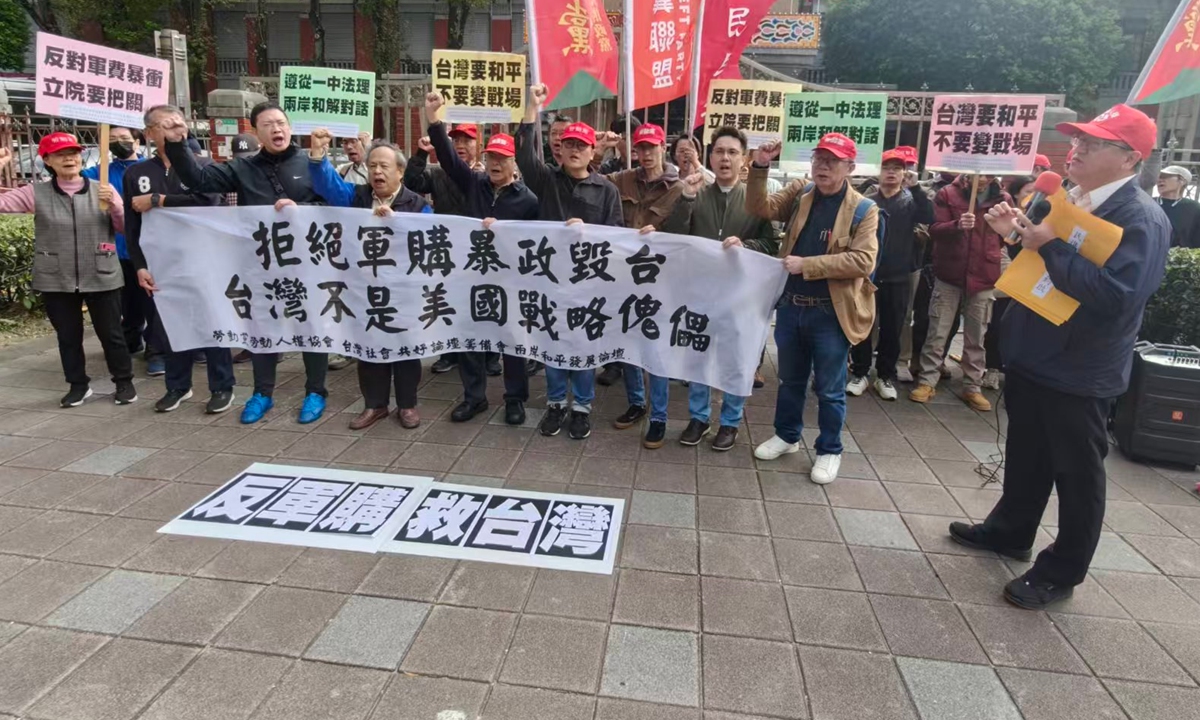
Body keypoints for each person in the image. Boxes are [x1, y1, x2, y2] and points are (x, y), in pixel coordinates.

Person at [953, 104, 1169, 610]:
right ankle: (1010, 529)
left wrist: (1048, 246)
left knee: (1078, 475)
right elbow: (1042, 264)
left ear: (1129, 158)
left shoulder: (1140, 218)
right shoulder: (1071, 200)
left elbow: (1118, 298)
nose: (1077, 149)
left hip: (1080, 369)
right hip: (1036, 355)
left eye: (1094, 144)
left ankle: (1062, 570)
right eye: (1078, 140)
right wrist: (1018, 232)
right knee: (1027, 456)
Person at [157, 101, 330, 426]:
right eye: (267, 124)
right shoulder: (243, 168)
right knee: (262, 329)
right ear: (255, 131)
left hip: (306, 264)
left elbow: (333, 204)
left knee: (311, 328)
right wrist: (178, 143)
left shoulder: (311, 164)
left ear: (290, 127)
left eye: (280, 122)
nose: (276, 129)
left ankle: (316, 391)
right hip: (261, 265)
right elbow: (199, 181)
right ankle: (262, 393)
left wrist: (301, 208)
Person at [747, 133, 879, 485]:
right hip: (792, 306)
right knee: (790, 379)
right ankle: (787, 436)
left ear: (850, 167)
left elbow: (863, 260)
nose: (822, 166)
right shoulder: (801, 193)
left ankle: (829, 449)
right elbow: (761, 208)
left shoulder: (865, 209)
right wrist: (760, 165)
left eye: (832, 160)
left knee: (830, 387)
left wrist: (808, 264)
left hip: (831, 312)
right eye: (819, 158)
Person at [420, 92, 539, 426]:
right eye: (491, 158)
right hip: (471, 278)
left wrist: (505, 232)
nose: (496, 164)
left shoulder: (528, 200)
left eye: (502, 158)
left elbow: (537, 243)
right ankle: (474, 398)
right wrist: (435, 120)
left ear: (514, 163)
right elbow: (446, 157)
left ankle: (514, 399)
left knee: (513, 343)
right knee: (470, 339)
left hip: (510, 283)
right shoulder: (473, 184)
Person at [660, 127, 779, 450]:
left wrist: (747, 244)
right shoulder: (697, 193)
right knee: (699, 355)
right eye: (719, 152)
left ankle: (730, 421)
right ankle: (699, 417)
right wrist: (684, 199)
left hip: (743, 296)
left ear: (744, 160)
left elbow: (772, 244)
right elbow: (674, 236)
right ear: (709, 156)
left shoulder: (756, 202)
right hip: (701, 293)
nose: (725, 158)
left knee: (737, 359)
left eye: (732, 152)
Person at [517, 82, 623, 440]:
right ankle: (556, 404)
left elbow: (616, 237)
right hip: (551, 280)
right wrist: (533, 110)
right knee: (552, 344)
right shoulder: (547, 180)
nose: (574, 150)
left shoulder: (606, 190)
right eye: (569, 145)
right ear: (559, 150)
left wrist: (587, 232)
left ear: (593, 151)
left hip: (589, 285)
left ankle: (582, 407)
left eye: (581, 145)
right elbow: (523, 156)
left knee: (584, 348)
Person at [307, 127, 430, 431]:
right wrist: (318, 155)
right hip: (364, 289)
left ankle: (407, 405)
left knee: (405, 351)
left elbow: (428, 242)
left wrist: (398, 225)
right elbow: (329, 186)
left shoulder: (416, 204)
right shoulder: (357, 196)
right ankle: (375, 405)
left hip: (403, 293)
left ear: (400, 172)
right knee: (369, 350)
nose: (377, 171)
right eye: (372, 165)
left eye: (384, 166)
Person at [0, 134, 135, 406]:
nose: (69, 158)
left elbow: (123, 229)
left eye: (73, 153)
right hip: (56, 278)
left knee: (112, 334)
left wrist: (116, 206)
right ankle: (78, 385)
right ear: (47, 160)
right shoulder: (35, 192)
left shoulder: (103, 189)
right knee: (68, 337)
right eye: (60, 154)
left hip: (101, 273)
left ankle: (124, 382)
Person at [124, 105, 234, 415]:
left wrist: (160, 201)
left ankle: (222, 387)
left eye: (180, 124)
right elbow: (133, 226)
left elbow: (211, 201)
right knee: (171, 326)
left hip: (205, 261)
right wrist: (140, 265)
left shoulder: (203, 166)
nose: (178, 130)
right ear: (150, 133)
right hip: (163, 265)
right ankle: (177, 386)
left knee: (214, 323)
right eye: (168, 125)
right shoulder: (137, 173)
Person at [605, 123, 685, 448]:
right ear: (633, 150)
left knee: (656, 349)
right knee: (628, 345)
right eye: (641, 148)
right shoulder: (622, 179)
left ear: (663, 147)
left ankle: (659, 416)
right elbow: (587, 180)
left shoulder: (679, 187)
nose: (647, 154)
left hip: (661, 280)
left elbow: (686, 233)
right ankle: (637, 402)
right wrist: (599, 150)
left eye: (652, 147)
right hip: (625, 277)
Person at [908, 173, 1010, 412]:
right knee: (938, 331)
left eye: (987, 174)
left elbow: (1009, 236)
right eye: (978, 173)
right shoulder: (947, 193)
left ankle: (972, 386)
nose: (982, 178)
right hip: (949, 273)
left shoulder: (1002, 198)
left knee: (977, 335)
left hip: (984, 275)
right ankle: (927, 380)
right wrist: (956, 225)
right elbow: (933, 229)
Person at [847, 148, 934, 400]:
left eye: (897, 168)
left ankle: (885, 375)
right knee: (863, 325)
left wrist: (916, 188)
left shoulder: (910, 200)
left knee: (892, 327)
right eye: (887, 168)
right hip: (868, 274)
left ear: (905, 172)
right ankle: (860, 372)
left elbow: (929, 216)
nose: (892, 173)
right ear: (879, 171)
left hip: (899, 275)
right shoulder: (869, 200)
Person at [404, 122, 486, 376]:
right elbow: (412, 182)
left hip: (478, 249)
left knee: (480, 302)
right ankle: (449, 353)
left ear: (479, 145)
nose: (461, 145)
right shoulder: (439, 174)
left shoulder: (486, 177)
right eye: (456, 140)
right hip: (446, 248)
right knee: (447, 302)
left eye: (467, 140)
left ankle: (488, 354)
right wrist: (420, 154)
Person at [80, 126, 160, 373]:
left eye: (125, 139)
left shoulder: (150, 170)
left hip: (148, 249)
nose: (119, 143)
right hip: (115, 250)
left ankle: (156, 349)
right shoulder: (100, 173)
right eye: (112, 140)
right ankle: (131, 338)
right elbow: (73, 181)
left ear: (137, 142)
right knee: (127, 304)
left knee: (153, 303)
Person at [982, 176, 1034, 391]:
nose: (1033, 198)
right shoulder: (1007, 217)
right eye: (1028, 192)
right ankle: (992, 368)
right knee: (998, 325)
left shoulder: (1046, 220)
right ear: (1016, 195)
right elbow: (1000, 249)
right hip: (1007, 281)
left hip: (1033, 287)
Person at [1156, 165, 1200, 248]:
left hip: (1179, 258)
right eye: (1159, 177)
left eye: (1166, 177)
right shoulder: (1148, 203)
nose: (1160, 180)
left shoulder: (1194, 208)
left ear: (1182, 181)